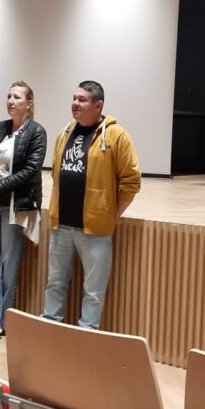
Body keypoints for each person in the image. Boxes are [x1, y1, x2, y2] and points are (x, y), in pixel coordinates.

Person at [43, 80, 140, 330]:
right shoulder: (65, 132)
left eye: (82, 100)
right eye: (74, 98)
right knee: (54, 284)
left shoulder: (117, 135)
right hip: (61, 226)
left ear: (98, 105)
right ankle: (49, 333)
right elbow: (56, 173)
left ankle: (87, 337)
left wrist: (113, 214)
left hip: (95, 232)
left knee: (93, 292)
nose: (75, 103)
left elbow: (131, 182)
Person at [0, 82, 47, 341]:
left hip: (17, 206)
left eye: (17, 97)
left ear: (29, 103)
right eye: (8, 96)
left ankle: (1, 321)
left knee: (8, 263)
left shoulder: (37, 132)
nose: (11, 101)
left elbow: (30, 170)